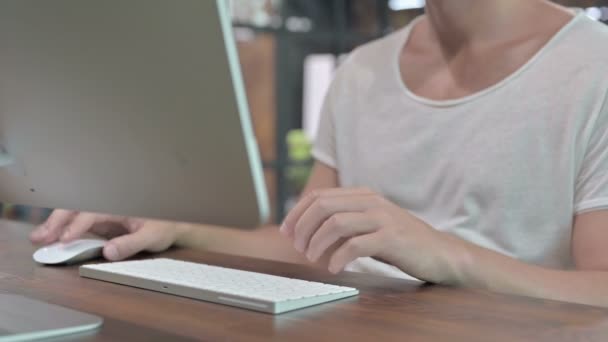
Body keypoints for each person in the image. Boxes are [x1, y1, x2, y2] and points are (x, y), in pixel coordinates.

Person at [30, 0, 608, 307]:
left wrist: (444, 255)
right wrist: (176, 225)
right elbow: (306, 245)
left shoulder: (593, 70)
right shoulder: (361, 71)